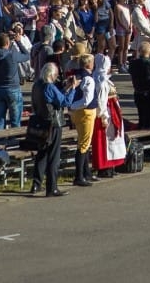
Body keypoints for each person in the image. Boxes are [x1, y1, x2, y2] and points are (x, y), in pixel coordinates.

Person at [30, 62, 76, 197]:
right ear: (52, 74)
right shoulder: (50, 87)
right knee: (53, 156)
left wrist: (65, 88)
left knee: (41, 154)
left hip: (40, 121)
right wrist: (72, 88)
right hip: (53, 124)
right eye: (55, 75)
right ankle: (52, 187)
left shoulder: (37, 85)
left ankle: (36, 184)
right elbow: (64, 102)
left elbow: (55, 98)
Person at [90, 54, 128, 178]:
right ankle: (104, 167)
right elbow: (101, 101)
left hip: (112, 111)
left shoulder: (103, 78)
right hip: (106, 113)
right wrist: (104, 116)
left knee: (113, 140)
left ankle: (111, 166)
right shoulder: (100, 80)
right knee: (105, 142)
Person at [0, 31, 30, 130]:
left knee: (0, 120)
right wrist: (18, 41)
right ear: (8, 43)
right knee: (15, 121)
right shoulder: (12, 55)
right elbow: (27, 55)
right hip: (13, 89)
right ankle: (14, 141)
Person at [69, 52, 99, 186]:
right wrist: (73, 106)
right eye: (92, 62)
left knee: (85, 143)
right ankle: (79, 176)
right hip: (86, 112)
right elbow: (87, 100)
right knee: (83, 144)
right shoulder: (88, 79)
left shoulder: (77, 75)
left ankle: (86, 172)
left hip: (79, 112)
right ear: (88, 64)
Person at [128, 41, 150, 129]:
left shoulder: (133, 63)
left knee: (142, 116)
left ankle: (142, 134)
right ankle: (149, 137)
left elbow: (132, 67)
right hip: (148, 94)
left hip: (137, 93)